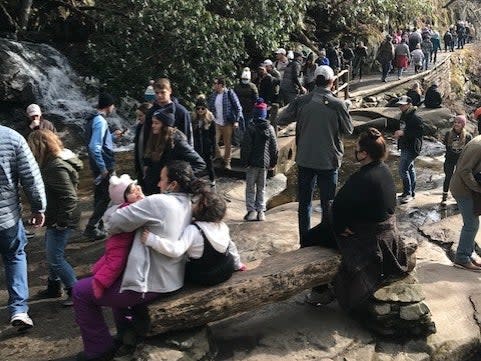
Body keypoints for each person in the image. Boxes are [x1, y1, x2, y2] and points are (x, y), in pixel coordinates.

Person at [73, 161, 200, 361]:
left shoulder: (158, 202)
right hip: (173, 278)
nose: (158, 184)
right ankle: (127, 334)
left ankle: (98, 349)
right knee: (117, 278)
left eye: (162, 179)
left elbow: (112, 223)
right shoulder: (187, 203)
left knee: (80, 291)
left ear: (172, 185)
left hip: (152, 285)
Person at [304, 128, 408, 312]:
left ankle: (320, 291)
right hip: (383, 228)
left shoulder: (362, 177)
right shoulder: (383, 170)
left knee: (309, 238)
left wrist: (340, 227)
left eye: (358, 148)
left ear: (364, 154)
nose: (355, 151)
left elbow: (338, 206)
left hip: (363, 234)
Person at [279, 65, 353, 246]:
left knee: (304, 203)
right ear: (332, 81)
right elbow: (349, 130)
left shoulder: (302, 101)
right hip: (329, 160)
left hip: (305, 158)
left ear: (315, 80)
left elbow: (281, 119)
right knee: (328, 202)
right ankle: (326, 238)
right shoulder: (338, 104)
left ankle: (305, 240)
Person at [140, 189, 246, 286]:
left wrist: (152, 240)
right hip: (226, 269)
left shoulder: (194, 230)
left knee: (183, 268)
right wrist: (238, 264)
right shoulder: (222, 226)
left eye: (195, 203)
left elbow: (176, 250)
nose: (192, 204)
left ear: (201, 209)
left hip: (206, 276)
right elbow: (231, 246)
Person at [27, 130, 82, 307]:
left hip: (62, 220)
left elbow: (69, 197)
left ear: (39, 147)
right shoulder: (51, 164)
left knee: (55, 258)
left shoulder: (55, 167)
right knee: (52, 252)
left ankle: (75, 291)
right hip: (56, 218)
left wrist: (61, 221)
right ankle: (53, 286)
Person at [0, 125, 46, 331]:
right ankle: (19, 310)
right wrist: (38, 208)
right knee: (15, 256)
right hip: (7, 217)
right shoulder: (11, 137)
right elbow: (31, 177)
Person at [91, 174, 145, 300]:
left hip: (117, 241)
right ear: (122, 197)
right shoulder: (126, 208)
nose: (137, 193)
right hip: (120, 242)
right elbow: (141, 210)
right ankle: (100, 282)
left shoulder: (125, 206)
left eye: (137, 189)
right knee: (116, 262)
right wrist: (142, 198)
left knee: (109, 258)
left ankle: (96, 270)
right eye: (133, 192)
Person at [143, 105, 206, 195]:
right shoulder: (155, 138)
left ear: (165, 125)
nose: (153, 126)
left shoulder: (177, 142)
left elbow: (200, 164)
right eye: (152, 123)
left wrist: (178, 176)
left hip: (169, 190)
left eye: (156, 123)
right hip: (154, 187)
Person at [83, 92, 116, 241]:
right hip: (104, 165)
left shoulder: (93, 119)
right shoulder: (101, 122)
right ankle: (92, 227)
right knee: (106, 197)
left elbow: (99, 142)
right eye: (113, 105)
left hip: (96, 164)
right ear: (109, 106)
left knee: (99, 196)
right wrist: (103, 169)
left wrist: (113, 137)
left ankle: (98, 226)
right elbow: (94, 146)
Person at [241, 98, 278, 222]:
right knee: (262, 187)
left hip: (252, 163)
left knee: (250, 187)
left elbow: (246, 147)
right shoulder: (270, 128)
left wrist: (244, 161)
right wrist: (273, 162)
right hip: (264, 164)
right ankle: (261, 211)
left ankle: (251, 211)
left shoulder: (251, 127)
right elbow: (274, 147)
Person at [450, 135, 481, 271]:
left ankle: (469, 253)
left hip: (467, 188)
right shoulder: (478, 145)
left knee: (473, 223)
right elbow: (464, 170)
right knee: (471, 224)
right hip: (463, 189)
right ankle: (462, 258)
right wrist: (478, 188)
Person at [143, 78, 193, 145]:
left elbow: (188, 137)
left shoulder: (181, 112)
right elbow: (146, 136)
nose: (159, 95)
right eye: (157, 93)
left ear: (170, 91)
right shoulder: (151, 112)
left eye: (163, 92)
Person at [207, 77, 243, 170]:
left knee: (227, 143)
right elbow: (209, 107)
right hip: (216, 122)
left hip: (227, 123)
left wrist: (236, 121)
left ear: (220, 85)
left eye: (215, 83)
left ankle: (227, 162)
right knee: (213, 141)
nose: (214, 85)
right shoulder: (213, 95)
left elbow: (238, 107)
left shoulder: (229, 93)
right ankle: (219, 156)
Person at [394, 95, 423, 204]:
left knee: (402, 169)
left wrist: (404, 133)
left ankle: (408, 193)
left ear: (409, 105)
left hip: (412, 147)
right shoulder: (404, 116)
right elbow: (402, 128)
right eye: (400, 105)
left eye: (403, 105)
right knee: (410, 168)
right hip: (405, 145)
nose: (401, 107)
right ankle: (411, 192)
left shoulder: (415, 118)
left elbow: (419, 133)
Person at [441, 115, 472, 206]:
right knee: (448, 177)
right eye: (455, 122)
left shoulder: (467, 136)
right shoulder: (448, 134)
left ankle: (459, 198)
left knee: (460, 179)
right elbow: (446, 145)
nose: (456, 124)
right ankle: (444, 197)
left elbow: (469, 149)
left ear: (463, 124)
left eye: (459, 123)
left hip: (461, 161)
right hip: (449, 159)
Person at [191, 95, 216, 186]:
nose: (200, 110)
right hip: (197, 144)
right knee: (197, 161)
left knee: (209, 162)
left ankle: (212, 178)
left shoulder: (210, 120)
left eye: (202, 108)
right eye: (198, 109)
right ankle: (197, 179)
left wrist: (213, 148)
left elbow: (213, 135)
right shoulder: (193, 119)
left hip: (207, 145)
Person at [133, 102, 153, 188]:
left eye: (141, 116)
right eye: (137, 116)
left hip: (149, 165)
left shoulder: (153, 129)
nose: (138, 118)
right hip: (140, 164)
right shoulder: (139, 127)